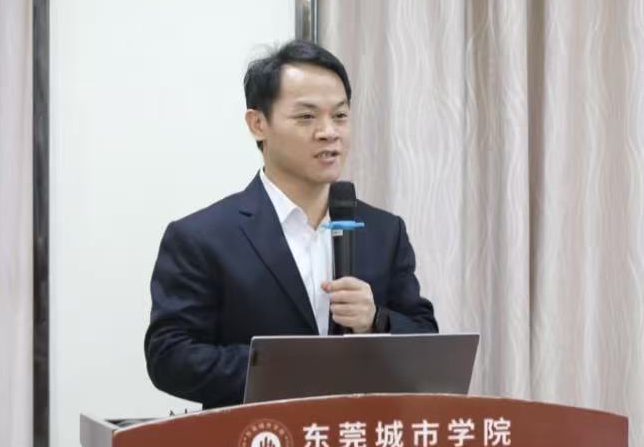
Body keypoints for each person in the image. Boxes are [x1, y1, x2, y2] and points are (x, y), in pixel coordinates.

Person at [144, 40, 437, 408]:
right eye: (306, 117)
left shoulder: (384, 231)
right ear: (258, 124)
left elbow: (428, 343)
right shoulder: (202, 237)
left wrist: (375, 321)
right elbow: (169, 357)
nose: (329, 132)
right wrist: (288, 369)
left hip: (359, 438)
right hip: (256, 439)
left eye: (340, 116)